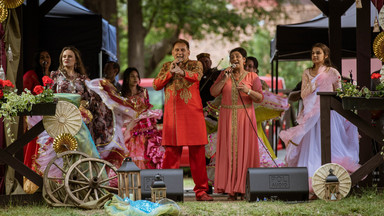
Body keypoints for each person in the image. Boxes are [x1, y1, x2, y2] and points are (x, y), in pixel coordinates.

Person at [279, 43, 360, 193]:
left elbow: (339, 93)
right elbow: (303, 94)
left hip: (329, 114)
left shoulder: (333, 72)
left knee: (332, 145)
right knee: (311, 147)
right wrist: (315, 81)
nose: (315, 55)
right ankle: (312, 180)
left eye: (318, 53)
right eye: (313, 53)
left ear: (326, 56)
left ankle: (334, 180)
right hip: (311, 115)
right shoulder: (307, 72)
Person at [153, 39, 213, 201]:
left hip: (192, 114)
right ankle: (167, 191)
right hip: (173, 116)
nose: (180, 53)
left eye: (183, 50)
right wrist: (170, 73)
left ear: (188, 52)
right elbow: (156, 85)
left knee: (197, 155)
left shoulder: (195, 64)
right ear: (172, 53)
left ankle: (201, 191)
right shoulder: (167, 66)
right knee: (171, 154)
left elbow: (198, 77)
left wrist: (182, 72)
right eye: (177, 50)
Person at [210, 47, 264, 200]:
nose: (234, 59)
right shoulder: (224, 74)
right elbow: (214, 92)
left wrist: (248, 90)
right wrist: (224, 79)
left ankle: (243, 188)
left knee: (244, 151)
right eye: (231, 57)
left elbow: (260, 97)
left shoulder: (252, 76)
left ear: (244, 60)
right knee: (228, 151)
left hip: (244, 117)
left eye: (237, 56)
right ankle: (230, 190)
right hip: (227, 116)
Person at [245, 56, 288, 167]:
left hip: (253, 119)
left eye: (250, 66)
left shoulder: (260, 83)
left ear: (255, 70)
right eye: (245, 66)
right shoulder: (236, 81)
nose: (247, 68)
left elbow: (266, 99)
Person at [120, 67, 164, 169]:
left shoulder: (143, 91)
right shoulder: (123, 95)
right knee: (133, 153)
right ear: (127, 78)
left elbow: (147, 107)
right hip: (131, 128)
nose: (135, 79)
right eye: (132, 76)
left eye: (137, 76)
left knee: (146, 151)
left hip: (146, 127)